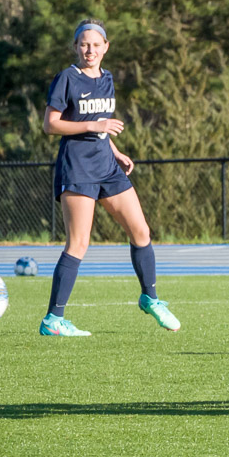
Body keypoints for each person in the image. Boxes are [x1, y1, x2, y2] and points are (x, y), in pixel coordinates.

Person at [38, 18, 180, 336]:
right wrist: (96, 128)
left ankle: (151, 299)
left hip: (107, 166)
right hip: (77, 168)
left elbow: (98, 120)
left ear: (106, 47)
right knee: (79, 243)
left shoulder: (107, 79)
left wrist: (113, 149)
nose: (90, 50)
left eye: (96, 44)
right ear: (76, 47)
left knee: (140, 231)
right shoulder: (67, 78)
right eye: (84, 44)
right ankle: (53, 321)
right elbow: (51, 125)